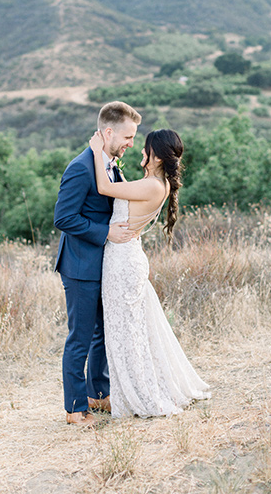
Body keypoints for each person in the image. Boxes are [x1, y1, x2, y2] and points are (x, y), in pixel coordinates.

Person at [89, 127, 211, 418]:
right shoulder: (153, 182)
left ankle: (140, 394)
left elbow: (105, 188)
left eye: (146, 149)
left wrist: (97, 150)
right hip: (125, 257)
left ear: (157, 156)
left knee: (127, 332)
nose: (141, 152)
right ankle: (129, 389)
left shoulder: (154, 186)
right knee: (128, 329)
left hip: (122, 262)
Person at [54, 101, 142, 426]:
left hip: (103, 266)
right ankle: (75, 409)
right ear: (108, 132)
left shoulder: (109, 164)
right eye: (128, 137)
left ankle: (98, 393)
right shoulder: (80, 167)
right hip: (80, 266)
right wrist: (105, 232)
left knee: (101, 332)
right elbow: (63, 217)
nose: (131, 143)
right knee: (79, 337)